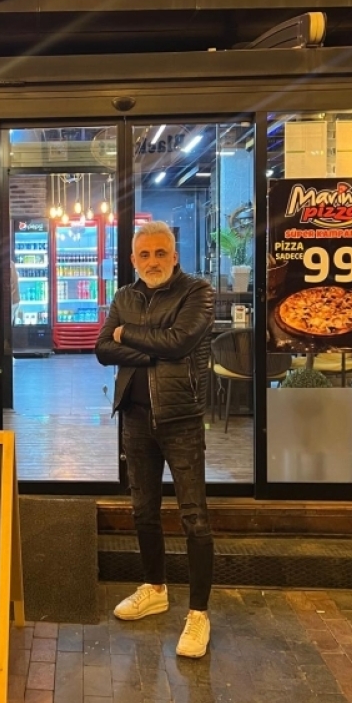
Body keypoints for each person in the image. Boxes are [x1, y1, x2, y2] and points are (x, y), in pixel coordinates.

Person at [95, 220, 215, 658]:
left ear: (174, 255)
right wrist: (153, 349)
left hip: (181, 418)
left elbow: (181, 341)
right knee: (143, 510)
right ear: (133, 260)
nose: (152, 261)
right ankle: (154, 588)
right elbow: (103, 348)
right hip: (134, 416)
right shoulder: (124, 296)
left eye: (160, 253)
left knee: (194, 516)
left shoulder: (197, 291)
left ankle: (199, 614)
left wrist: (128, 335)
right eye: (144, 255)